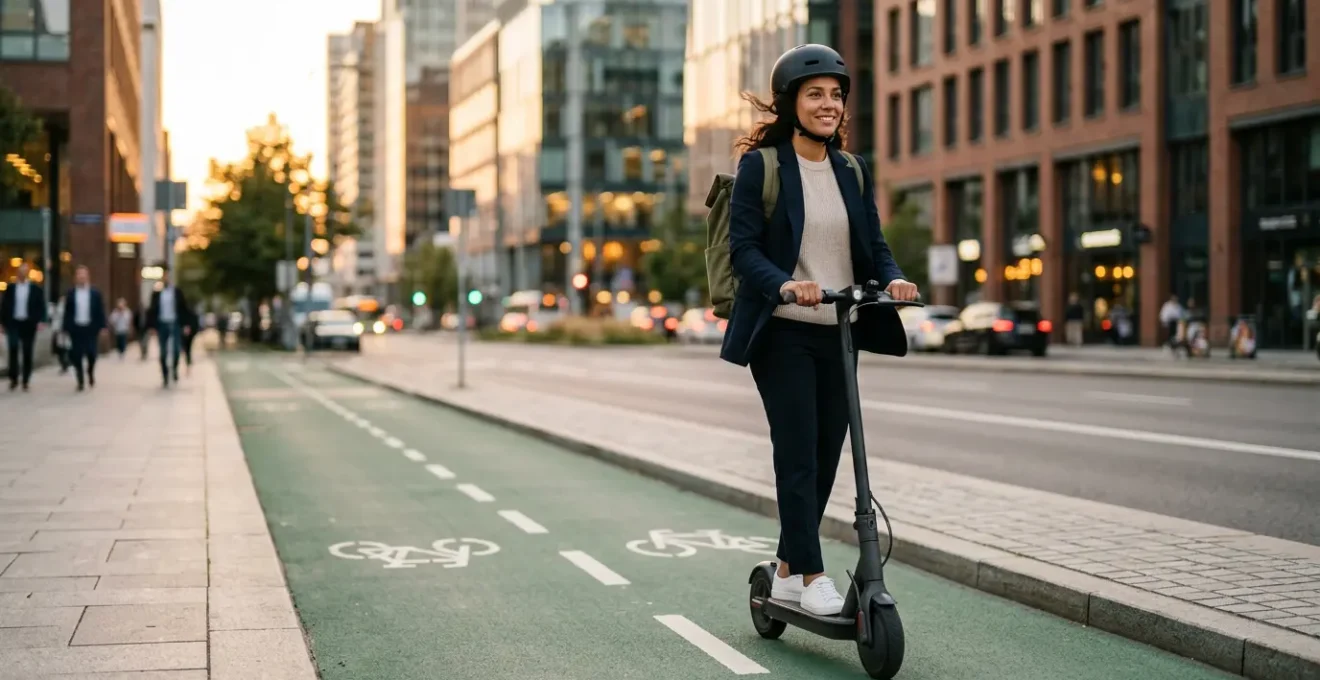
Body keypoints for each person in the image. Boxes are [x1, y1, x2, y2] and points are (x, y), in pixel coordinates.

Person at [718, 44, 919, 617]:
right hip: (783, 333)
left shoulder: (852, 169)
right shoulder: (763, 167)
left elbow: (873, 243)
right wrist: (786, 283)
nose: (829, 104)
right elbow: (744, 250)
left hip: (840, 330)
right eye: (815, 95)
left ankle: (785, 571)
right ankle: (812, 575)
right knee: (798, 456)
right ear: (790, 103)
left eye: (836, 95)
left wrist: (894, 278)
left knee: (828, 455)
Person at [1, 262, 48, 391]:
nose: (22, 274)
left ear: (28, 273)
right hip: (13, 323)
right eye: (20, 271)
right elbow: (4, 306)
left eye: (25, 271)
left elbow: (41, 306)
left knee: (27, 351)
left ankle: (26, 379)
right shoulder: (11, 288)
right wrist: (2, 323)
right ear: (17, 273)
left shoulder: (35, 289)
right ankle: (13, 377)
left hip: (28, 324)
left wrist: (41, 321)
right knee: (13, 347)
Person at [62, 265, 107, 391]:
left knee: (92, 354)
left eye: (83, 274)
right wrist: (65, 328)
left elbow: (100, 310)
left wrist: (103, 327)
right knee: (77, 355)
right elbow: (67, 312)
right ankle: (80, 380)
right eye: (79, 274)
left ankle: (90, 371)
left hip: (90, 328)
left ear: (88, 277)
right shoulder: (71, 293)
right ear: (75, 278)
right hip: (76, 328)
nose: (81, 277)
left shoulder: (95, 293)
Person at [146, 267, 191, 387]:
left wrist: (186, 325)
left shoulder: (177, 292)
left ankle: (174, 369)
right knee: (163, 352)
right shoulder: (157, 293)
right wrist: (151, 326)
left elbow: (184, 308)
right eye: (164, 276)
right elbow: (152, 310)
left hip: (175, 323)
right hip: (162, 324)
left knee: (176, 350)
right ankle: (165, 375)